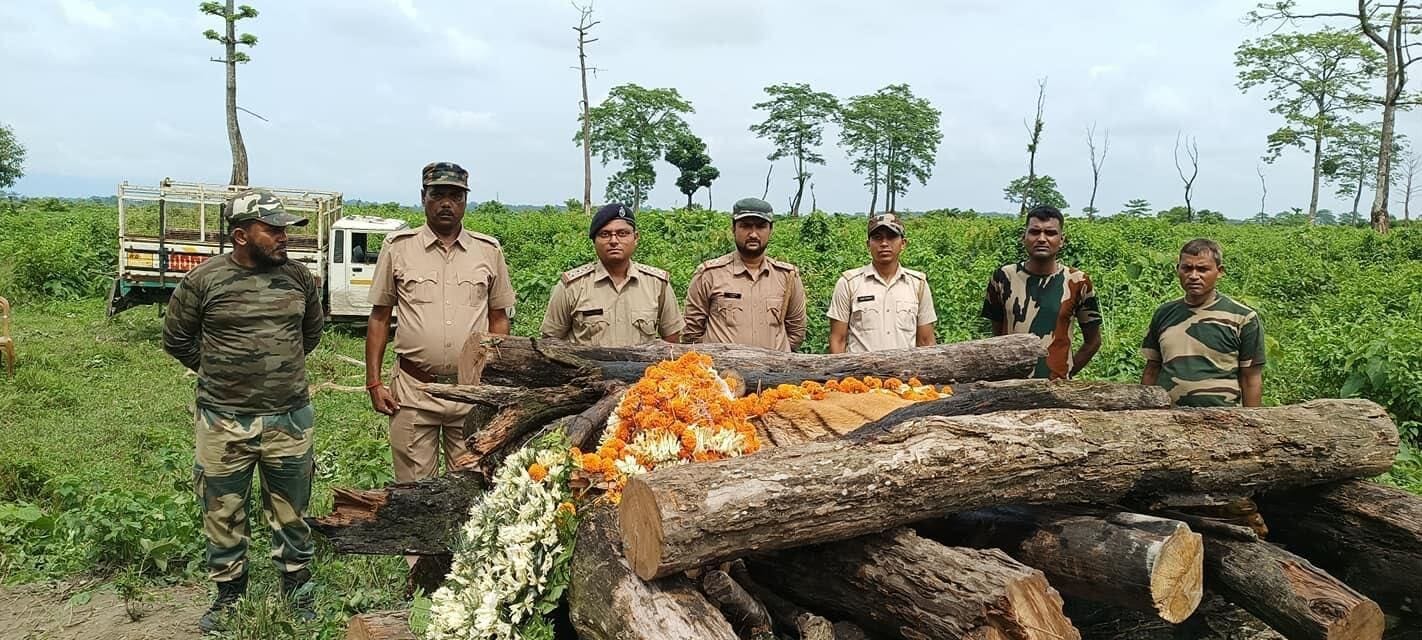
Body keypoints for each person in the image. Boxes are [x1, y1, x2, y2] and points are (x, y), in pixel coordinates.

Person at [162, 188, 324, 632]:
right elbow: (176, 339)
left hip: (289, 418)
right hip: (223, 421)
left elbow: (311, 335)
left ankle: (298, 594)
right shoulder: (203, 281)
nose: (283, 237)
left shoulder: (298, 278)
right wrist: (220, 371)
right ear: (240, 235)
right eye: (272, 229)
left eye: (284, 229)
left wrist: (273, 369)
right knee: (223, 511)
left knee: (292, 511)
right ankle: (228, 598)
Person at [365, 162, 515, 487]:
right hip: (413, 389)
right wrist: (375, 383)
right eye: (438, 194)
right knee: (415, 492)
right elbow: (379, 317)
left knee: (470, 488)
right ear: (423, 197)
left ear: (465, 201)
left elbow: (499, 317)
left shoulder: (488, 251)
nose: (447, 203)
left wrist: (493, 379)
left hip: (469, 392)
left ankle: (458, 541)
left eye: (455, 196)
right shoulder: (398, 248)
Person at [981, 205, 1102, 379]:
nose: (1042, 239)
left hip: (1057, 390)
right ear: (1024, 237)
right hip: (1010, 387)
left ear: (1061, 240)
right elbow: (997, 337)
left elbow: (1093, 341)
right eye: (1035, 232)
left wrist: (1065, 373)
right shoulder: (1003, 277)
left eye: (1050, 233)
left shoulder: (1077, 281)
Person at [1142, 238, 1265, 407]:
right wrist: (1145, 413)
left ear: (1220, 271)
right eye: (1187, 268)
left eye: (1202, 269)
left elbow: (1251, 378)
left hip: (1224, 420)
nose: (1193, 276)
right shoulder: (1164, 313)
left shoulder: (1242, 318)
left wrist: (1253, 424)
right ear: (1178, 270)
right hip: (1167, 421)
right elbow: (1152, 369)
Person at [540, 203, 683, 346]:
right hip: (588, 368)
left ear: (636, 237)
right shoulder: (572, 287)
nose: (614, 241)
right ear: (594, 241)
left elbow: (672, 342)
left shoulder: (657, 284)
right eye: (605, 234)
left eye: (622, 234)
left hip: (643, 368)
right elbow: (550, 343)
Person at [682, 197, 807, 351]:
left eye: (761, 227)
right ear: (733, 228)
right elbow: (692, 333)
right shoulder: (709, 274)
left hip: (775, 372)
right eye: (745, 226)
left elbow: (796, 332)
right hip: (720, 373)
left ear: (771, 230)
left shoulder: (788, 277)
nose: (753, 234)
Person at [827, 212, 936, 353]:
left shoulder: (918, 285)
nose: (884, 243)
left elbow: (926, 341)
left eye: (891, 237)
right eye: (877, 238)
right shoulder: (849, 283)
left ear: (903, 244)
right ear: (868, 244)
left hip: (905, 373)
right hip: (860, 374)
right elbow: (838, 340)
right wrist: (841, 374)